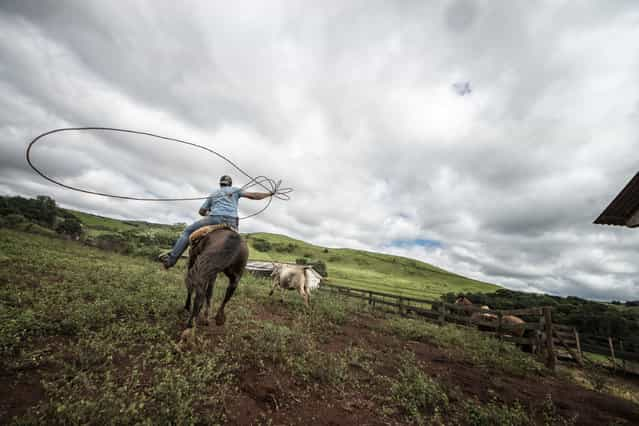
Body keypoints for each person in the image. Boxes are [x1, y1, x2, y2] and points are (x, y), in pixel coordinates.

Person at [159, 175, 271, 268]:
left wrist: (209, 213)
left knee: (187, 232)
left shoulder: (214, 194)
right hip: (232, 222)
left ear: (220, 184)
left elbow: (201, 211)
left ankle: (171, 260)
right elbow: (254, 196)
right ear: (230, 184)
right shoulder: (235, 190)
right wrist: (269, 194)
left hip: (214, 219)